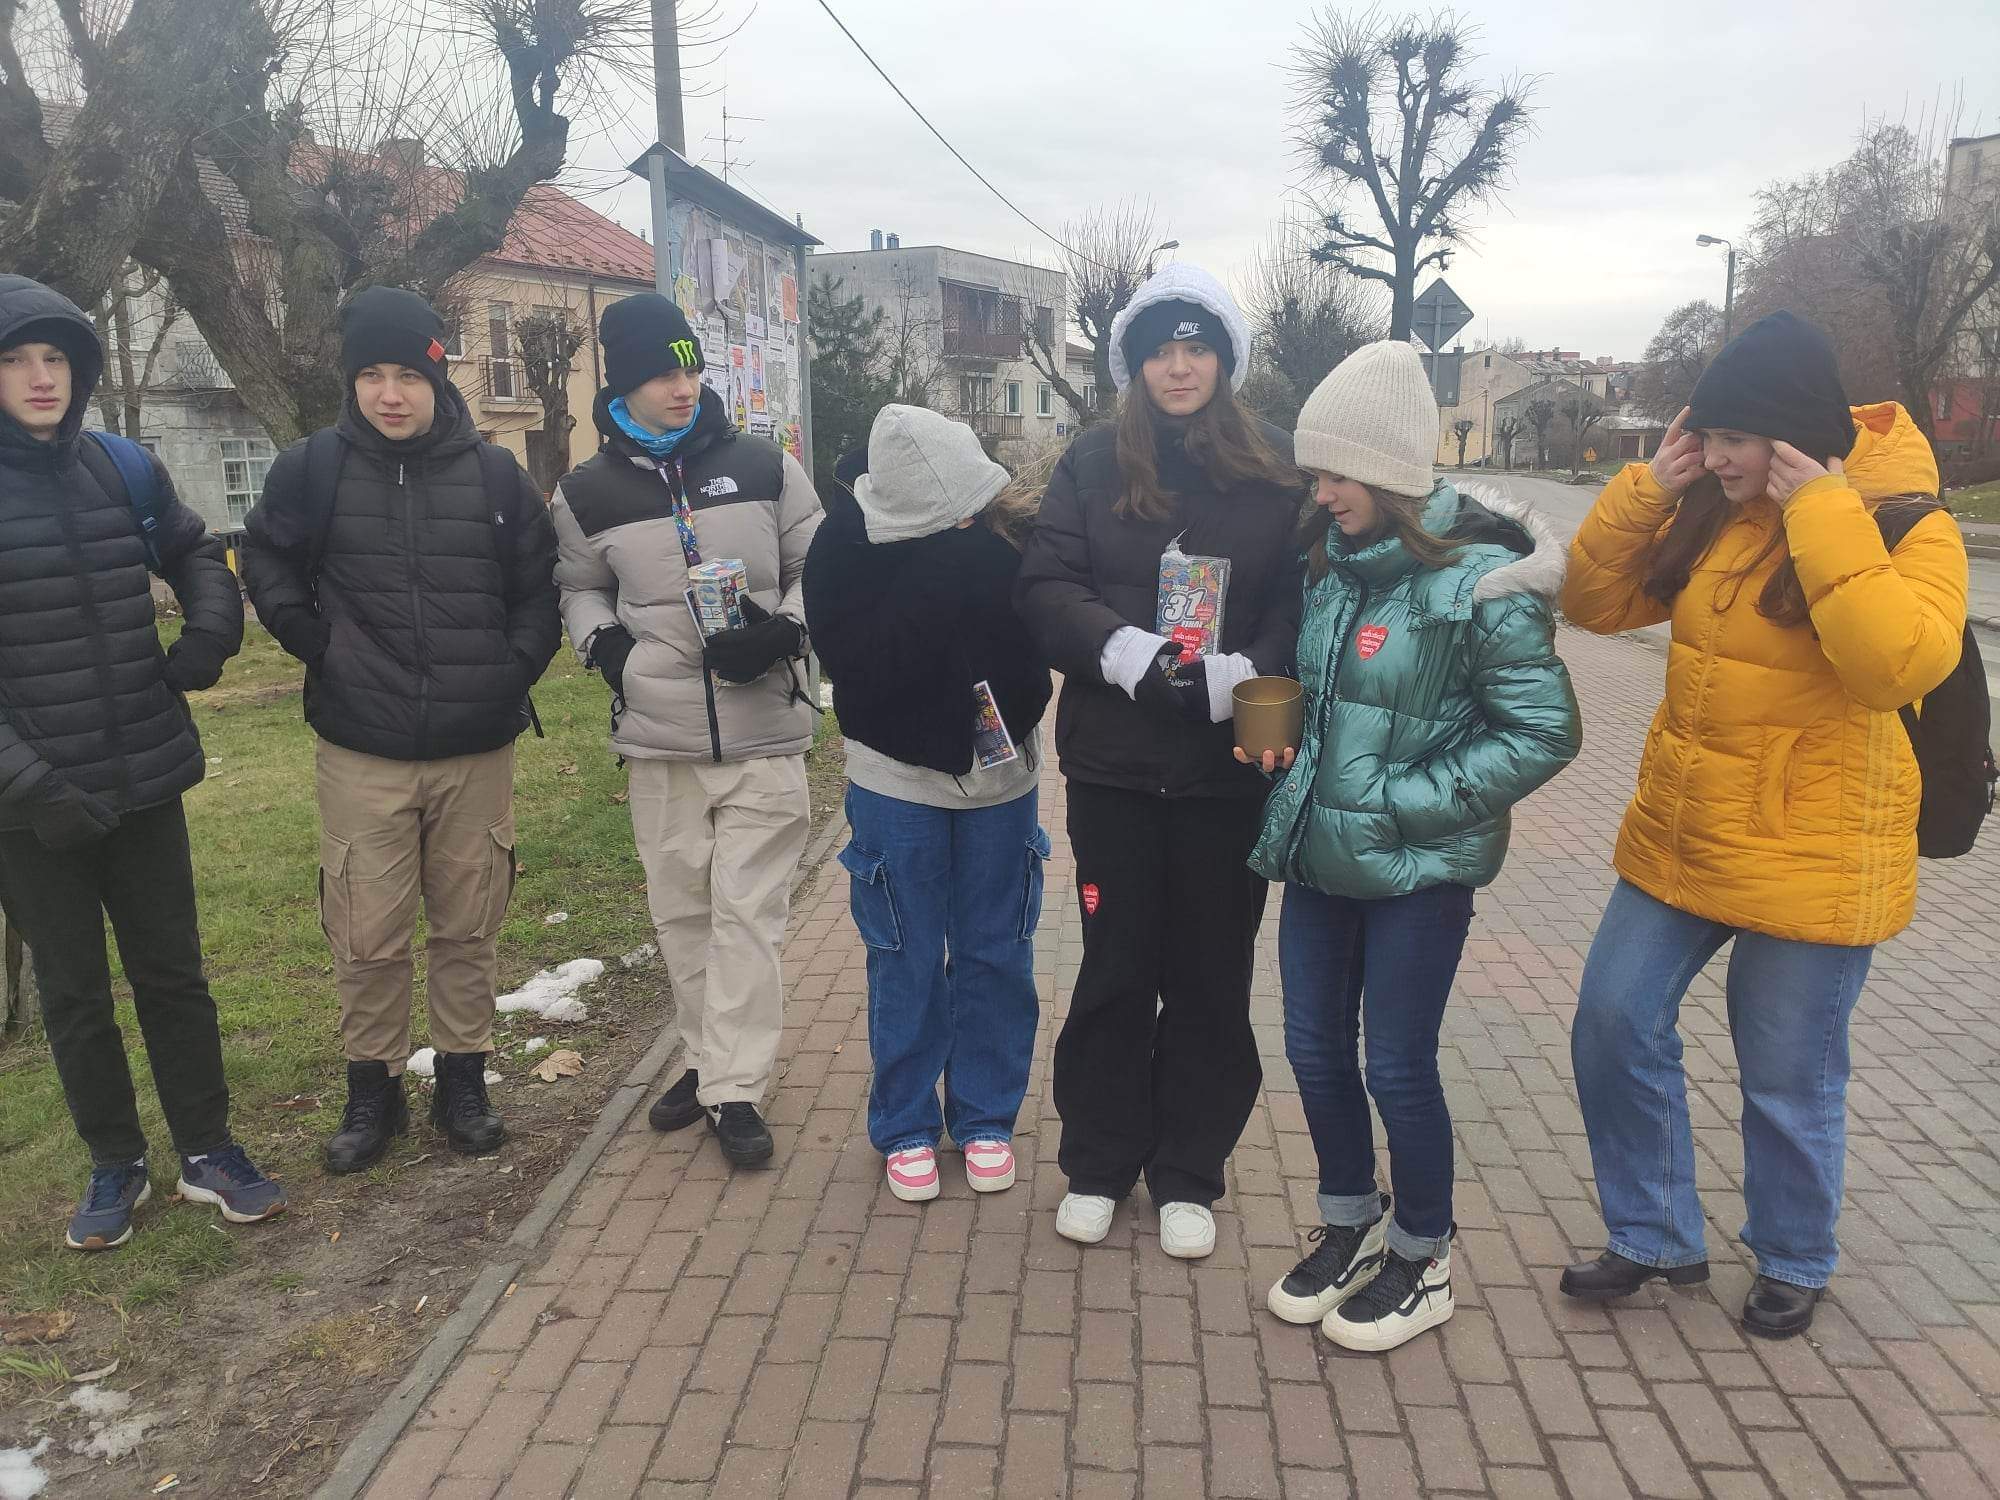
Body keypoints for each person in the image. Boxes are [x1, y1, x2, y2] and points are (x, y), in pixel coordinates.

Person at [1558, 312, 1969, 1339]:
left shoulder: (1909, 528)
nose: (1715, 456)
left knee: (1786, 1072)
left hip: (1816, 848)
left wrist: (1822, 510)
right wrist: (1648, 490)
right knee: (1612, 1019)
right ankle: (1654, 1233)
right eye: (1708, 434)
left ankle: (1792, 1254)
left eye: (1734, 438)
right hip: (1687, 828)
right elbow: (1594, 605)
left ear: (1792, 438)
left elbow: (1892, 666)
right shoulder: (1715, 512)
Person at [1247, 341, 1580, 1351]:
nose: (1319, 493)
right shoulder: (1331, 569)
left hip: (1417, 870)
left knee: (1395, 1065)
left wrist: (1398, 804)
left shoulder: (1483, 585)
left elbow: (1543, 732)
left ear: (1387, 472)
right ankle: (1350, 1225)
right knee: (1312, 1050)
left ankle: (1422, 1255)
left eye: (1335, 475)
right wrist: (1283, 747)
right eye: (1315, 474)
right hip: (1318, 857)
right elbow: (1331, 702)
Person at [1014, 263, 1305, 1258]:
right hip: (1116, 769)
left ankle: (1188, 1169)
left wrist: (1242, 674)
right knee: (1115, 967)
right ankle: (1099, 1161)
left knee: (1211, 977)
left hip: (1226, 773)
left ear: (1224, 361)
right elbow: (1047, 584)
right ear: (1133, 365)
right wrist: (1128, 656)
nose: (1179, 367)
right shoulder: (1093, 462)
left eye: (1196, 349)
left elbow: (1298, 599)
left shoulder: (1274, 469)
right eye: (1160, 352)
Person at [242, 286, 561, 1172]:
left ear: (437, 376)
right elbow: (262, 553)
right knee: (366, 933)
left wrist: (512, 669)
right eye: (371, 375)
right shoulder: (312, 469)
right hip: (362, 745)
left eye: (408, 376)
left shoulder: (496, 476)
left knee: (468, 928)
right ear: (352, 381)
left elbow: (539, 588)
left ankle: (464, 1082)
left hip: (475, 745)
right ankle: (372, 1091)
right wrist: (314, 641)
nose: (390, 394)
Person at [0, 274, 285, 1249]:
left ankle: (209, 1149)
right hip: (31, 808)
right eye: (16, 360)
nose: (41, 377)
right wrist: (31, 786)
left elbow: (197, 553)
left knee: (173, 976)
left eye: (56, 358)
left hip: (144, 777)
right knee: (75, 992)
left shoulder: (122, 467)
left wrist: (209, 635)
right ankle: (114, 1163)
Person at [551, 295, 821, 1169]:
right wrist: (609, 648)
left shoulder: (765, 466)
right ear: (624, 382)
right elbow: (579, 587)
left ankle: (734, 1088)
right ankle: (708, 1060)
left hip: (764, 731)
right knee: (684, 915)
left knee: (747, 916)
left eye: (692, 368)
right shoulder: (585, 492)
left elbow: (822, 564)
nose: (684, 386)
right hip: (659, 738)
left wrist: (786, 631)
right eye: (663, 372)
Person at [805, 406, 1053, 1202]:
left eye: (976, 513)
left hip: (1001, 780)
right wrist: (939, 578)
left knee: (995, 950)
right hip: (895, 777)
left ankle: (985, 1115)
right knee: (904, 954)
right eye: (957, 521)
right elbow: (865, 668)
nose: (971, 528)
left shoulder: (1003, 537)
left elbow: (1034, 658)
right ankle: (905, 1122)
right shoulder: (844, 546)